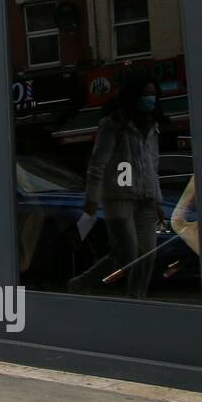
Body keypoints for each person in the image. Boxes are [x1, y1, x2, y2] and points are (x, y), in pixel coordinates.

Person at [70, 75, 167, 298]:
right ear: (134, 97)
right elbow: (97, 164)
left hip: (146, 199)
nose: (150, 99)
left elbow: (153, 165)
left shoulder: (153, 126)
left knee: (146, 255)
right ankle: (83, 283)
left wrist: (157, 200)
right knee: (129, 255)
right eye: (145, 95)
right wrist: (91, 200)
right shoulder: (113, 125)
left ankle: (136, 301)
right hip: (118, 198)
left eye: (153, 94)